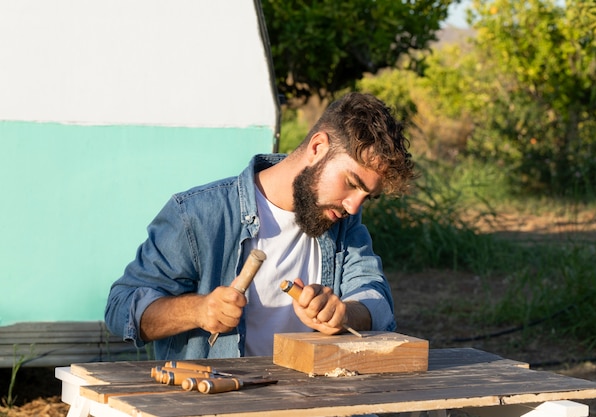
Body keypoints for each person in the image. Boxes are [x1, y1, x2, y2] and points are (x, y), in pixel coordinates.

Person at [105, 92, 415, 360]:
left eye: (367, 197)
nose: (354, 206)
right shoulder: (197, 214)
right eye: (351, 183)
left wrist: (345, 313)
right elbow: (120, 310)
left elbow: (377, 299)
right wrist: (200, 311)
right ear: (318, 147)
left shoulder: (344, 222)